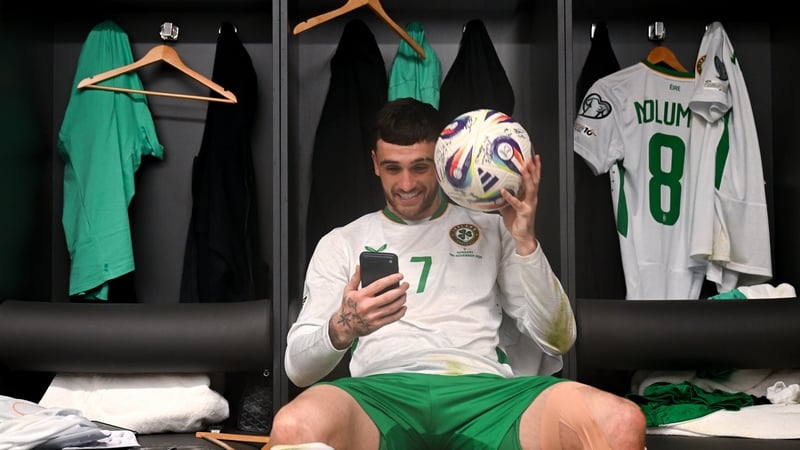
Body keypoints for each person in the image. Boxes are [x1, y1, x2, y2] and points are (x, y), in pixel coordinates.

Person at [270, 98, 646, 450]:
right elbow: (298, 370)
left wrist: (526, 242)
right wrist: (345, 326)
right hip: (381, 395)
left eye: (420, 167)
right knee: (292, 427)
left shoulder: (494, 227)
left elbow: (559, 340)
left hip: (486, 395)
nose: (406, 184)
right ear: (374, 163)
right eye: (392, 168)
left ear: (441, 160)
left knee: (621, 421)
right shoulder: (343, 241)